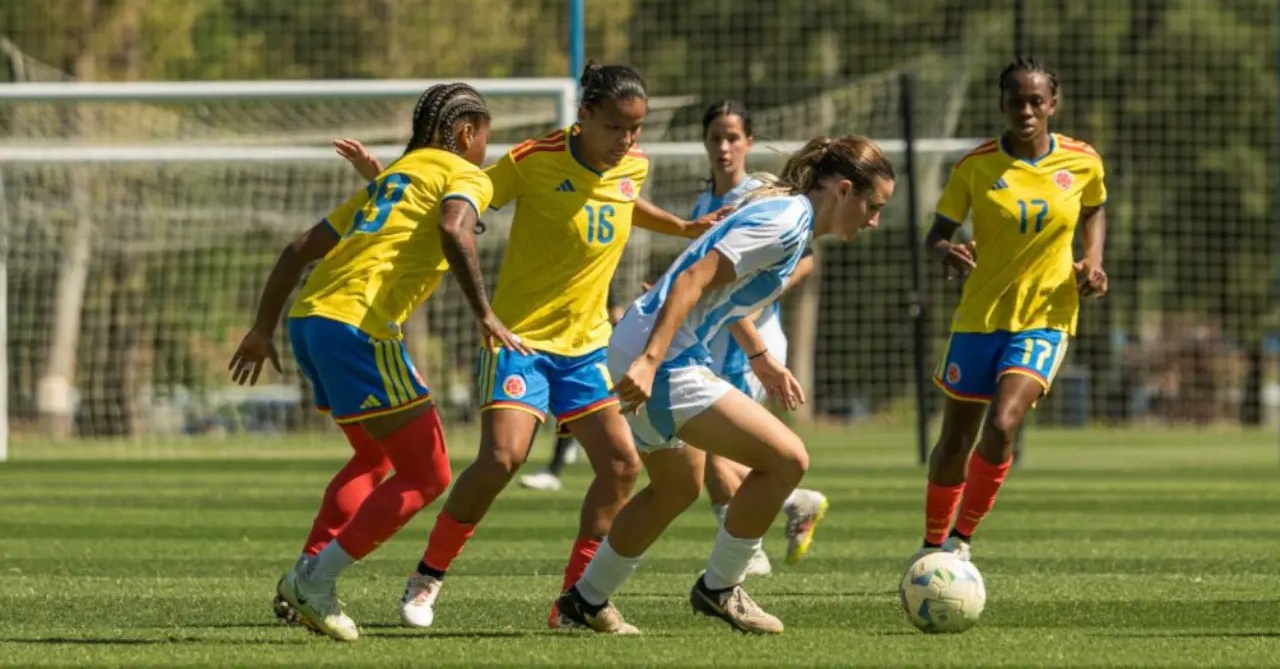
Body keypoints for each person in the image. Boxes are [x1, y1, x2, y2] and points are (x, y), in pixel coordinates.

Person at [332, 61, 728, 630]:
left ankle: (576, 602)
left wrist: (682, 228)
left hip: (589, 346)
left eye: (635, 130)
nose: (628, 140)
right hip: (519, 339)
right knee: (502, 458)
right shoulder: (532, 160)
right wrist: (385, 179)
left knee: (621, 468)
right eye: (616, 127)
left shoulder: (633, 166)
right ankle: (428, 575)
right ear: (585, 114)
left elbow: (620, 201)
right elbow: (459, 196)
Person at [554, 136, 896, 635]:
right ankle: (720, 588)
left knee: (676, 488)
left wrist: (759, 357)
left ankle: (583, 602)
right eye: (873, 206)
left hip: (644, 341)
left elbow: (721, 289)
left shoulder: (788, 217)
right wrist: (650, 362)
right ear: (844, 190)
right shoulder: (785, 222)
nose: (874, 220)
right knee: (787, 460)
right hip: (661, 354)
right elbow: (693, 278)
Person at [230, 83, 522, 642]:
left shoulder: (394, 178)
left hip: (309, 322)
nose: (486, 151)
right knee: (428, 473)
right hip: (358, 329)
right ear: (465, 135)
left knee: (371, 456)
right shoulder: (468, 176)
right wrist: (484, 312)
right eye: (484, 138)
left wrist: (262, 328)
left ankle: (309, 570)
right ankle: (313, 581)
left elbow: (297, 251)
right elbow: (451, 226)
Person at [915, 56, 1108, 563]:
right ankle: (931, 544)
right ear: (1001, 104)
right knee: (955, 441)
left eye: (1035, 101)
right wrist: (946, 251)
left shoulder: (1082, 161)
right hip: (979, 319)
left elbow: (1093, 207)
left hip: (1046, 316)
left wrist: (1093, 261)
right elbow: (936, 235)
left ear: (1053, 104)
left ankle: (961, 541)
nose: (1025, 109)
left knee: (1002, 424)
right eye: (1015, 100)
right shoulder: (975, 166)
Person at [692, 100, 828, 576]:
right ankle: (791, 505)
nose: (724, 146)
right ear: (705, 142)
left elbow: (806, 258)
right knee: (709, 452)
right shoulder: (702, 202)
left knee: (712, 452)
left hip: (752, 343)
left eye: (733, 137)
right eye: (716, 137)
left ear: (748, 141)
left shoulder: (763, 193)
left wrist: (766, 286)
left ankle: (749, 547)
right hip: (713, 338)